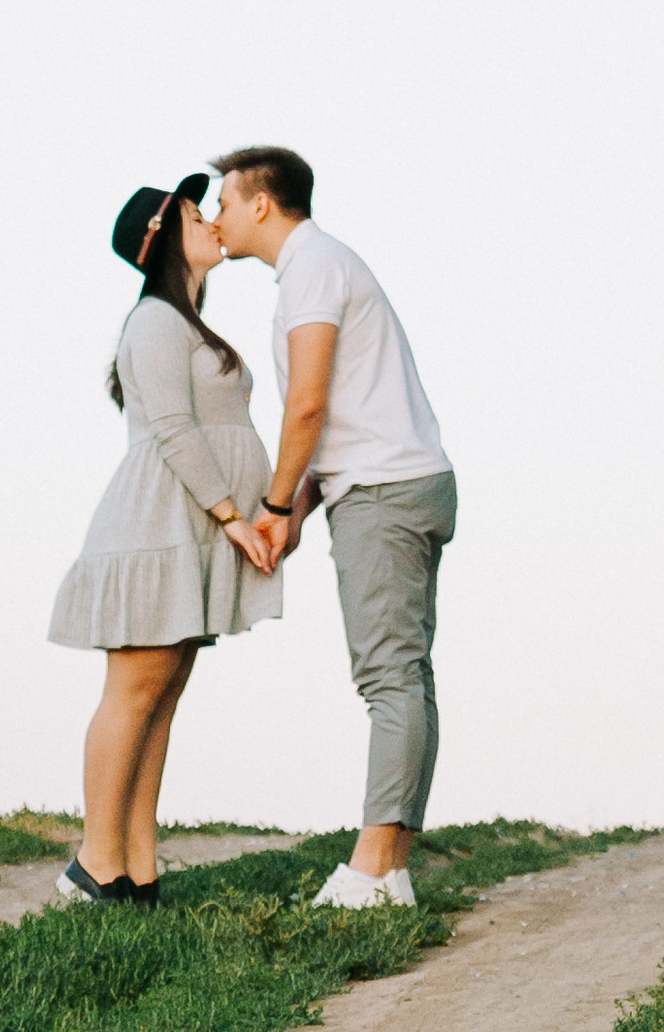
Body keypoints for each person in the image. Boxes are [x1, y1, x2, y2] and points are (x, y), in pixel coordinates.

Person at [212, 145, 454, 912]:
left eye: (223, 201)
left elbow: (308, 405)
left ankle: (373, 870)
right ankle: (394, 869)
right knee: (408, 676)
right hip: (398, 480)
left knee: (389, 677)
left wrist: (278, 506)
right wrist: (298, 510)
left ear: (260, 203)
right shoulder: (322, 265)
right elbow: (338, 415)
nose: (215, 218)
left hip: (384, 493)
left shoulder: (312, 266)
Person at [46, 172, 298, 906]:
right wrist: (232, 517)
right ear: (163, 241)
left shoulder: (184, 321)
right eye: (196, 214)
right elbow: (173, 430)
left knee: (163, 694)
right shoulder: (153, 321)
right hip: (158, 527)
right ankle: (94, 864)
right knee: (134, 692)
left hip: (189, 530)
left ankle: (139, 867)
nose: (212, 220)